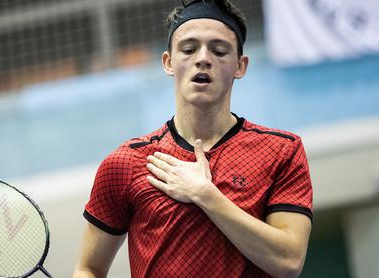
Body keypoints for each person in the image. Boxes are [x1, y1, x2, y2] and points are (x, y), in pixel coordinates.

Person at [72, 0, 313, 277]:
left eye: (219, 50)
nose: (203, 58)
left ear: (240, 66)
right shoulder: (126, 163)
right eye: (188, 49)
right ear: (168, 62)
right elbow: (88, 268)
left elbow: (289, 262)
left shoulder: (281, 151)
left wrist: (205, 195)